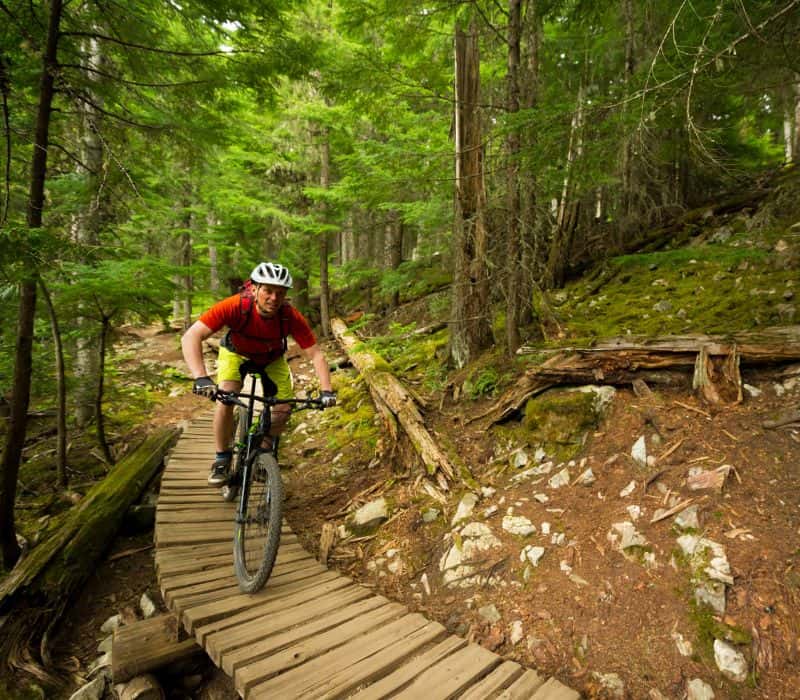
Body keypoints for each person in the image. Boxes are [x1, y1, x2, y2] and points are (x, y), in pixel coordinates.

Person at [182, 262, 336, 486]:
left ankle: (263, 452)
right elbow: (191, 336)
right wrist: (201, 377)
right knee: (226, 398)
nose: (274, 298)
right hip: (236, 354)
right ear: (253, 289)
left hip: (272, 358)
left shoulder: (289, 316)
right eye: (268, 290)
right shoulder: (235, 306)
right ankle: (222, 458)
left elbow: (316, 356)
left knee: (283, 408)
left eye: (280, 293)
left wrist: (326, 391)